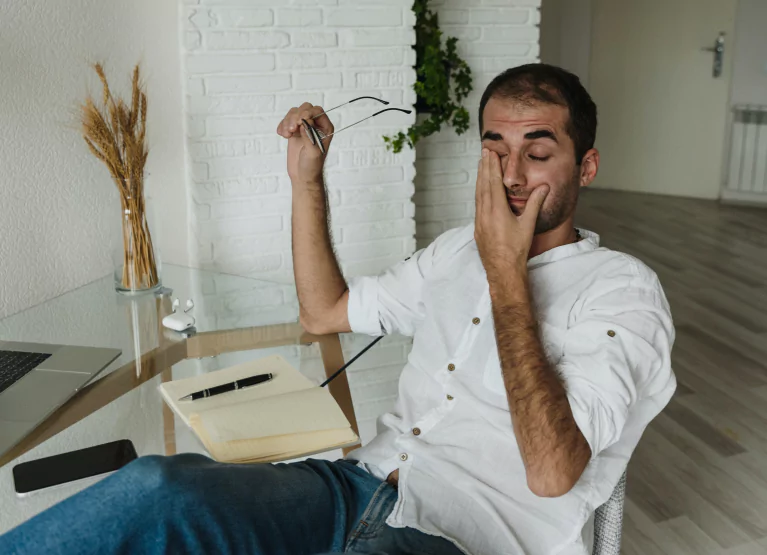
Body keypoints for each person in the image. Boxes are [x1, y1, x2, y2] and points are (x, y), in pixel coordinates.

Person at [0, 63, 675, 555]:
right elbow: (326, 311)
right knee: (157, 487)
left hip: (465, 535)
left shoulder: (622, 291)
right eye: (494, 148)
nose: (510, 174)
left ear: (584, 167)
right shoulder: (452, 254)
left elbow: (554, 474)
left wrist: (506, 276)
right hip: (355, 486)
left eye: (537, 152)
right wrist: (306, 181)